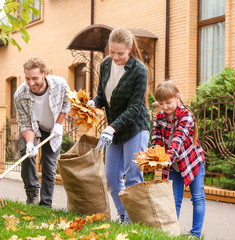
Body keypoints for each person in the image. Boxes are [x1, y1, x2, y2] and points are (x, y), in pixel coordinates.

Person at [88, 27, 150, 224]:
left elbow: (134, 108)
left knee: (133, 175)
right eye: (111, 52)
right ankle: (124, 215)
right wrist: (92, 103)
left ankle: (135, 221)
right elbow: (101, 95)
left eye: (120, 53)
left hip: (135, 127)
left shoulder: (140, 71)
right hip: (114, 129)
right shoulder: (106, 65)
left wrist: (111, 128)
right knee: (112, 178)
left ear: (130, 49)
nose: (115, 57)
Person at [151, 80, 205, 238]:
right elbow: (156, 140)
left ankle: (195, 234)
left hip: (192, 163)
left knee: (197, 198)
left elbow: (178, 140)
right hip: (173, 165)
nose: (165, 106)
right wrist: (154, 157)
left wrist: (167, 158)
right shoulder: (159, 117)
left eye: (168, 102)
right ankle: (172, 233)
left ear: (177, 98)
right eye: (162, 103)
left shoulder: (186, 115)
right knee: (174, 200)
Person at [14, 57, 70, 207]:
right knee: (27, 154)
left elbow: (67, 103)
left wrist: (58, 124)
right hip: (33, 127)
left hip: (53, 129)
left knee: (49, 166)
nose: (31, 83)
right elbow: (25, 123)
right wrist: (30, 144)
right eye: (27, 78)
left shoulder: (60, 84)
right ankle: (32, 194)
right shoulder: (20, 95)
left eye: (35, 78)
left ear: (45, 73)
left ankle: (46, 204)